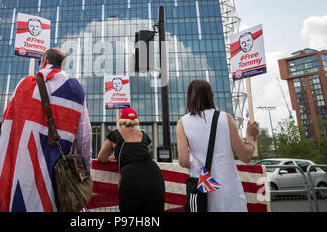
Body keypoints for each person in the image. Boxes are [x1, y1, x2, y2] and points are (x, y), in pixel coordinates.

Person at [0, 48, 92, 212]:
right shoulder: (75, 90)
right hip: (57, 177)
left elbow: (9, 128)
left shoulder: (23, 86)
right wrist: (86, 170)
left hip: (21, 177)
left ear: (44, 61)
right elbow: (85, 138)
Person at [176, 80, 259, 212]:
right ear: (211, 96)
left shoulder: (182, 123)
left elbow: (183, 160)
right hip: (229, 191)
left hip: (202, 191)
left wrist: (197, 163)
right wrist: (250, 136)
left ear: (189, 98)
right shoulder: (226, 118)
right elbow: (246, 156)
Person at [97, 108, 165, 212]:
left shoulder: (116, 134)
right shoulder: (144, 135)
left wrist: (112, 157)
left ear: (122, 119)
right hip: (154, 175)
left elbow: (101, 158)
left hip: (131, 177)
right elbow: (144, 154)